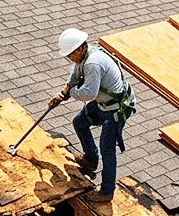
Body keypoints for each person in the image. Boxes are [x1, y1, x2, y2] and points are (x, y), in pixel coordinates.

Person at [49, 28, 135, 203]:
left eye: (71, 54)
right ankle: (90, 159)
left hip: (115, 109)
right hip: (103, 103)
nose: (69, 58)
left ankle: (107, 192)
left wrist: (71, 93)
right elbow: (75, 74)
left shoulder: (93, 64)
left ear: (81, 48)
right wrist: (62, 93)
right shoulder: (84, 57)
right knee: (80, 122)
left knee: (107, 149)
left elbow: (89, 93)